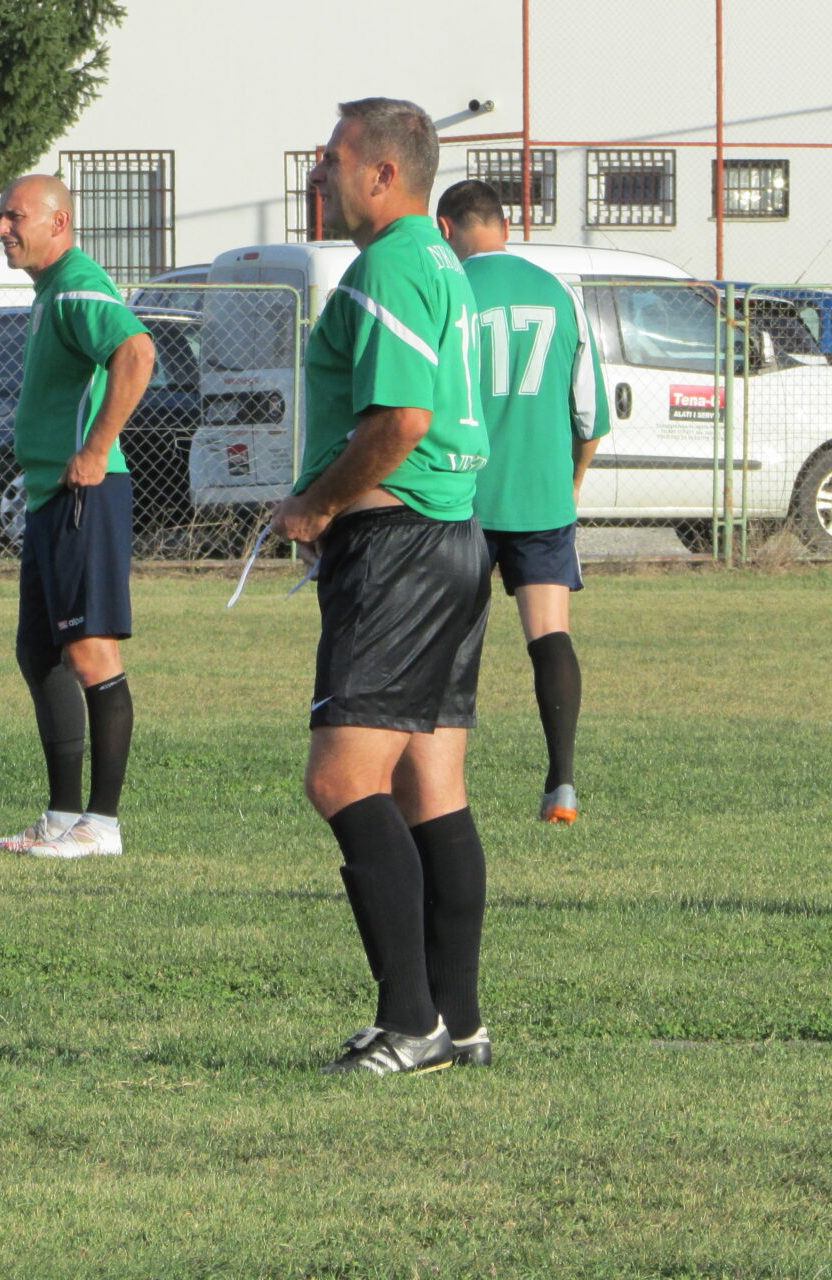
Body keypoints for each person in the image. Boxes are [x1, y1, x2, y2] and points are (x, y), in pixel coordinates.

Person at [268, 99, 493, 1075]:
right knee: (429, 785)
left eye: (332, 157)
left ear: (383, 173)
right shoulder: (442, 260)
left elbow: (401, 418)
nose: (320, 172)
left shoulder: (395, 261)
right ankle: (460, 1020)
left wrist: (316, 504)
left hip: (399, 545)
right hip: (453, 538)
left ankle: (411, 1022)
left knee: (341, 779)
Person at [0, 174, 155, 860]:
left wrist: (96, 446)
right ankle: (59, 817)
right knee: (40, 650)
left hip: (86, 493)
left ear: (58, 223)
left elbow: (136, 352)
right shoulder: (50, 291)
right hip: (50, 495)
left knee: (90, 651)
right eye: (0, 216)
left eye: (14, 216)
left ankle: (102, 824)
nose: (2, 228)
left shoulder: (79, 284)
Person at [435, 179, 610, 825]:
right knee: (550, 635)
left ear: (446, 229)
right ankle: (561, 785)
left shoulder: (449, 291)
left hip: (460, 495)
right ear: (506, 228)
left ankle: (442, 788)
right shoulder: (559, 292)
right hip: (541, 497)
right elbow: (589, 415)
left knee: (450, 641)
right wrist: (572, 481)